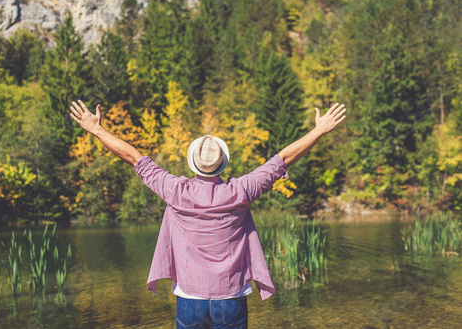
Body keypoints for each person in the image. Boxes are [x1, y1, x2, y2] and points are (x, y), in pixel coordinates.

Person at [69, 100, 346, 328]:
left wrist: (97, 130)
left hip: (190, 297)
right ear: (222, 165)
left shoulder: (175, 190)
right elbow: (282, 160)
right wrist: (319, 131)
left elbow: (133, 157)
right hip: (231, 297)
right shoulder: (240, 191)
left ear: (194, 164)